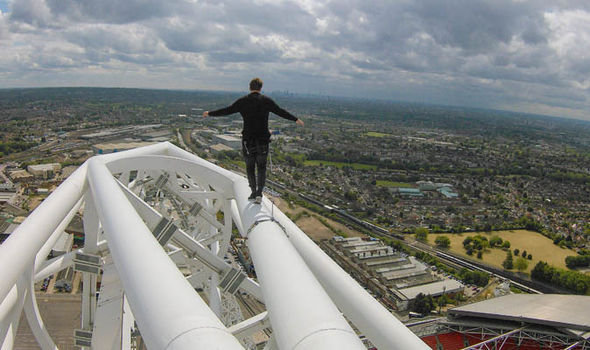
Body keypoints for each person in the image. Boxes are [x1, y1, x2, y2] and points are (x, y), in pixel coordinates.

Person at [203, 78, 304, 203]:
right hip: (263, 141)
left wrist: (210, 113)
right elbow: (280, 111)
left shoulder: (243, 101)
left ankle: (252, 192)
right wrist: (295, 119)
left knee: (250, 167)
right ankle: (259, 194)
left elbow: (226, 110)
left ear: (250, 87)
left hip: (248, 141)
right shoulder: (266, 101)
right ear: (260, 88)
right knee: (261, 167)